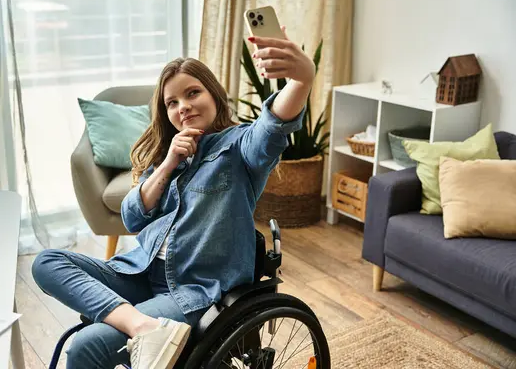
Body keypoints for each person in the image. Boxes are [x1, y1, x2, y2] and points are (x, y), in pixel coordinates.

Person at [31, 27, 316, 369]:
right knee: (46, 262)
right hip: (139, 271)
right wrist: (168, 163)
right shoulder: (171, 156)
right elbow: (132, 218)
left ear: (213, 94)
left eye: (192, 93)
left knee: (87, 346)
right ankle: (144, 327)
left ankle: (141, 327)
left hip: (193, 288)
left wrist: (301, 80)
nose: (183, 107)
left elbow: (271, 128)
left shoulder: (239, 147)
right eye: (172, 103)